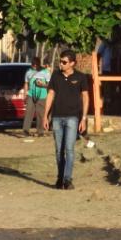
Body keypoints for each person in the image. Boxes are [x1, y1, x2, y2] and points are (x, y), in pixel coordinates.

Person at [43, 49, 89, 190]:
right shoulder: (56, 76)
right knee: (58, 150)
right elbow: (50, 94)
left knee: (69, 149)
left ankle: (67, 179)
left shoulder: (81, 77)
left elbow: (86, 97)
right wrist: (45, 115)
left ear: (72, 63)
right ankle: (60, 177)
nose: (61, 64)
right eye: (60, 61)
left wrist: (84, 118)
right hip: (57, 117)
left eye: (64, 62)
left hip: (73, 118)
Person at [21, 57, 51, 137]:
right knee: (28, 113)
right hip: (31, 94)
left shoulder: (45, 72)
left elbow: (50, 85)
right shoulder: (28, 72)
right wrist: (25, 94)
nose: (34, 66)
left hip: (42, 96)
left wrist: (42, 84)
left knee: (40, 113)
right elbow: (26, 83)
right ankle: (25, 130)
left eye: (36, 64)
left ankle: (40, 131)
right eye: (33, 64)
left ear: (39, 63)